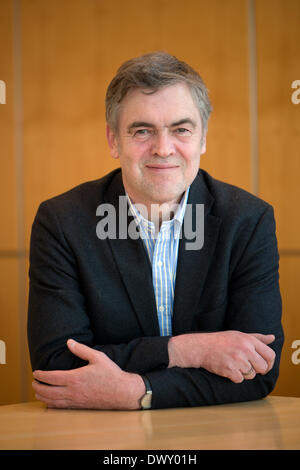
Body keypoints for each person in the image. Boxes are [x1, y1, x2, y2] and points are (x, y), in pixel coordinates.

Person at [28, 51, 283, 410]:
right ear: (114, 141)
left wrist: (139, 391)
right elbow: (56, 367)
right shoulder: (63, 222)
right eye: (142, 131)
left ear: (203, 138)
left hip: (217, 436)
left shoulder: (248, 221)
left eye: (181, 129)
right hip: (100, 438)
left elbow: (258, 369)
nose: (163, 149)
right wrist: (189, 349)